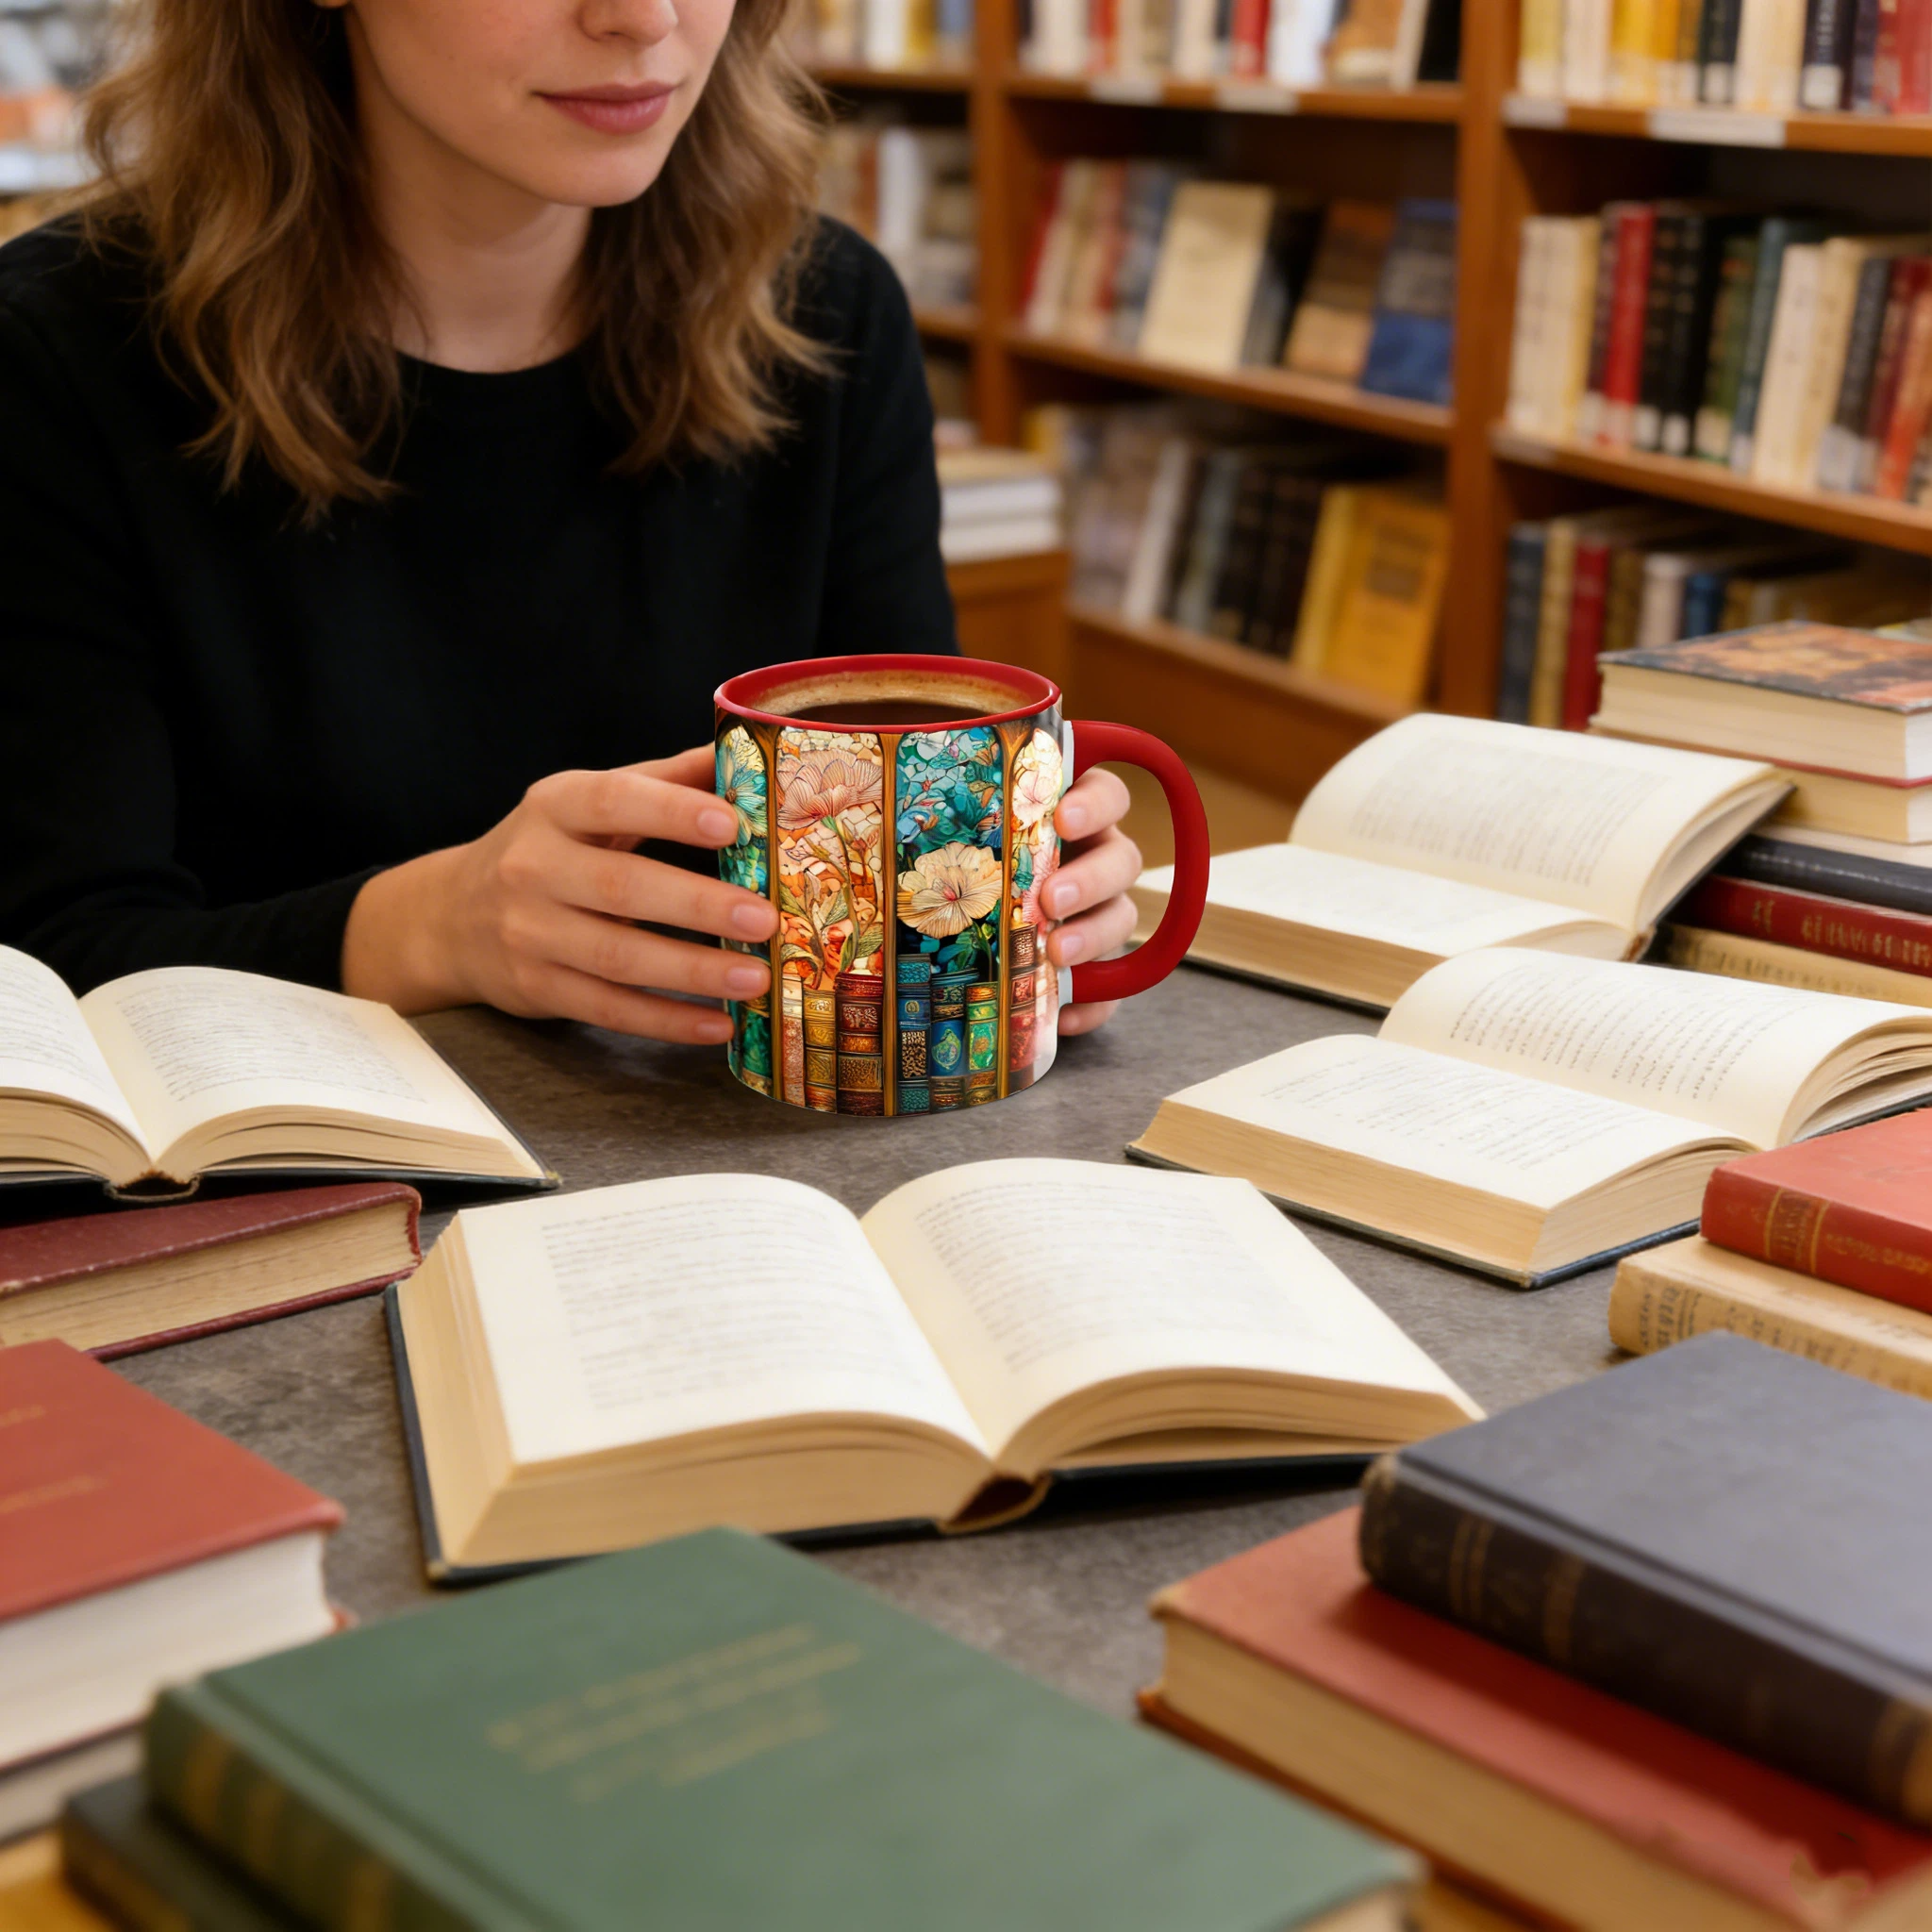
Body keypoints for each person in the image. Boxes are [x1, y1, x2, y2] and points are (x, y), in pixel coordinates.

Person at [0, 0, 1142, 1048]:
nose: (642, 18)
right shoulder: (53, 355)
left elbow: (912, 805)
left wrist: (1030, 896)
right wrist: (431, 929)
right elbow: (48, 966)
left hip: (745, 1171)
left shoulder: (824, 317)